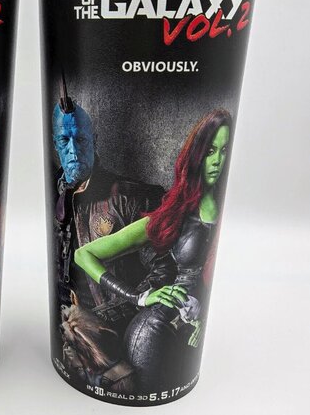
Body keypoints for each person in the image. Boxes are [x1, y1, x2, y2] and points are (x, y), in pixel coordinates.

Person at [74, 109, 231, 392]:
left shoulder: (227, 205)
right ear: (197, 156)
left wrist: (200, 317)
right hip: (154, 331)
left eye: (224, 150)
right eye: (210, 151)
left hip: (188, 330)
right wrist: (136, 296)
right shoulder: (174, 213)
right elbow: (83, 254)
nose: (218, 160)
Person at [52, 75, 171, 325]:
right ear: (55, 145)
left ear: (94, 141)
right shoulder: (49, 195)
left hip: (112, 325)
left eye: (81, 140)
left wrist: (103, 317)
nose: (73, 150)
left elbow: (164, 271)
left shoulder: (130, 197)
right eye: (64, 140)